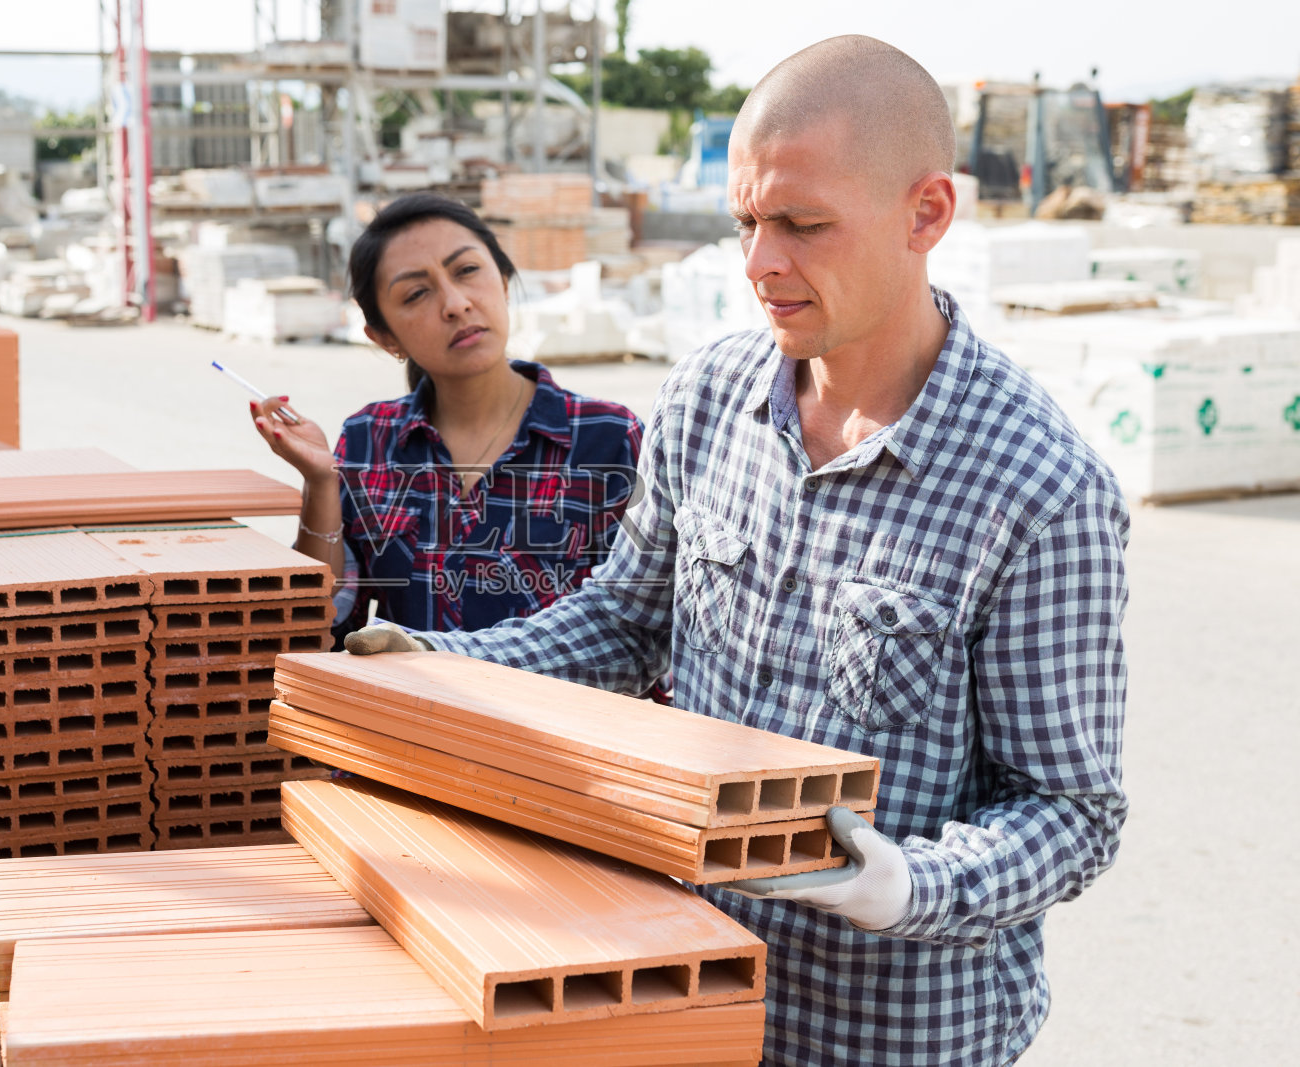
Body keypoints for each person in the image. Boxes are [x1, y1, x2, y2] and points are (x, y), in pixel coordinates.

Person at [346, 36, 1128, 1066]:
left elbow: (1068, 811)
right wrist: (444, 665)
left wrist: (897, 880)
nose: (761, 262)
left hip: (887, 1032)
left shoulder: (1037, 488)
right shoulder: (711, 395)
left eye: (802, 224)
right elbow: (623, 618)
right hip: (688, 989)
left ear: (926, 213)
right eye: (747, 222)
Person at [249, 192, 644, 649]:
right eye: (417, 293)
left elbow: (635, 628)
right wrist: (321, 483)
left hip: (561, 716)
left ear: (504, 278)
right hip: (411, 713)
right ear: (384, 338)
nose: (455, 303)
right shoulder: (369, 441)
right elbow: (328, 622)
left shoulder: (607, 438)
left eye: (467, 271)